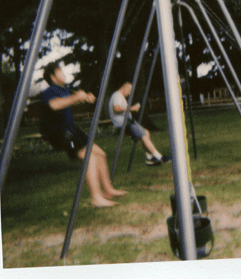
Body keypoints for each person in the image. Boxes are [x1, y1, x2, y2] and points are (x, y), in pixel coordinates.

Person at [39, 62, 126, 208]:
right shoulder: (49, 91)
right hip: (60, 134)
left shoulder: (63, 89)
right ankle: (96, 198)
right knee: (90, 158)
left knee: (101, 154)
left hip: (72, 130)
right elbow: (55, 105)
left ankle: (108, 190)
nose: (63, 72)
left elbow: (68, 102)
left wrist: (84, 97)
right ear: (53, 77)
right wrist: (77, 98)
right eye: (60, 71)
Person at [109, 82, 171, 166]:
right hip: (125, 124)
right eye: (129, 91)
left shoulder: (118, 96)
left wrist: (131, 108)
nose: (130, 93)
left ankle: (150, 158)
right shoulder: (117, 96)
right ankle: (159, 157)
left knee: (146, 133)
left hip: (128, 122)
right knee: (144, 135)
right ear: (124, 87)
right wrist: (131, 108)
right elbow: (116, 108)